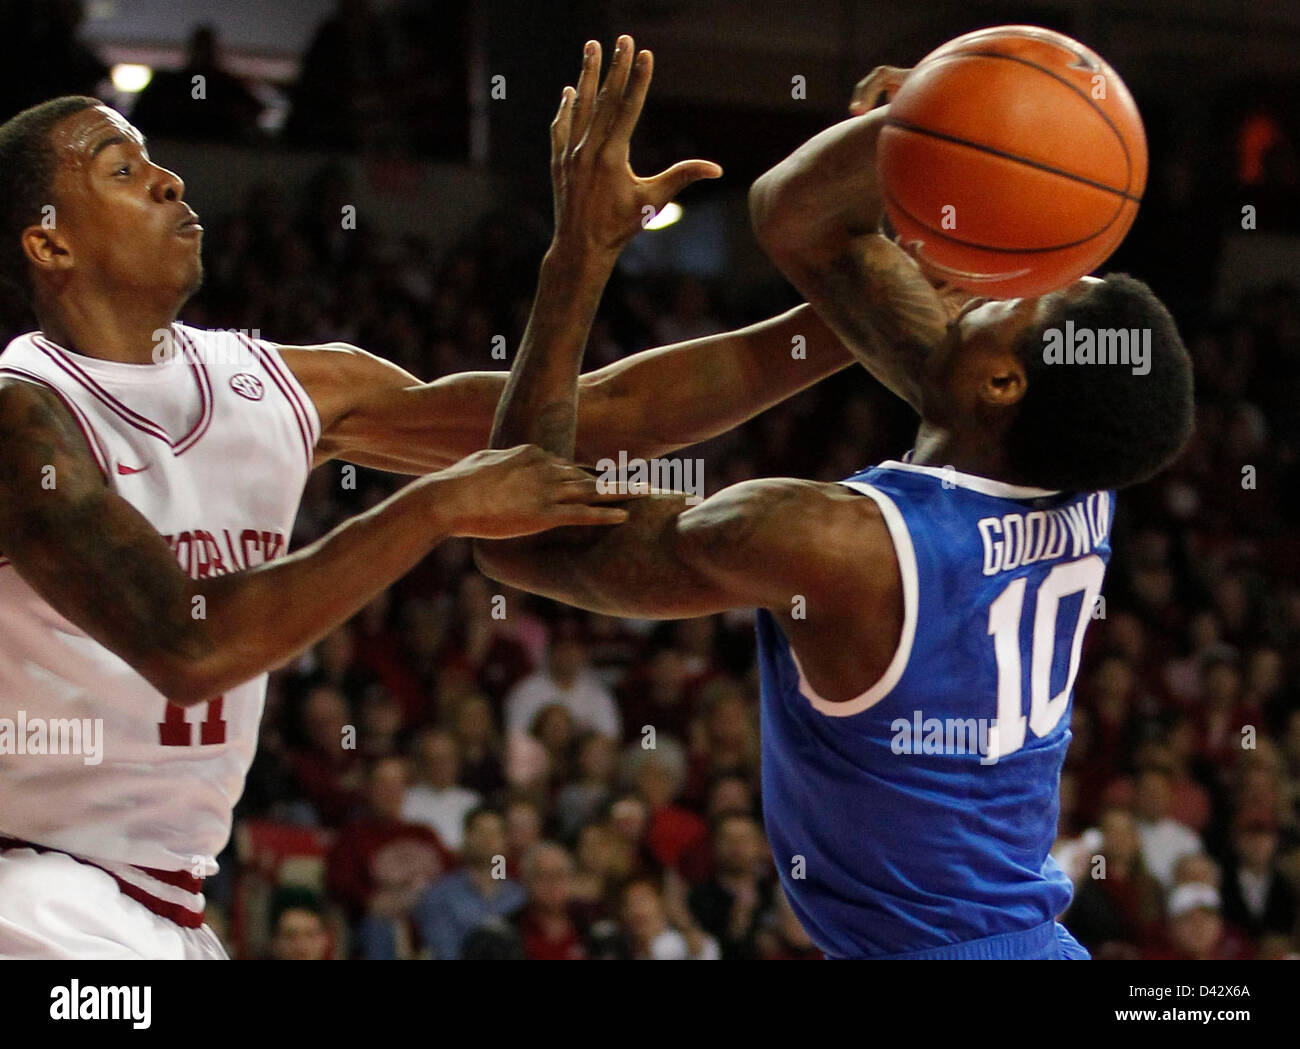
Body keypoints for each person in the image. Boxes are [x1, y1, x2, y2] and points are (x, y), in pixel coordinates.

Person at [0, 37, 852, 958]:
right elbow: (190, 642)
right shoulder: (22, 419)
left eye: (157, 159)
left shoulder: (281, 386)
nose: (166, 179)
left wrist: (585, 255)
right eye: (122, 168)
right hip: (38, 887)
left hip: (164, 906)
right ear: (50, 240)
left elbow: (594, 422)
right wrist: (433, 507)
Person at [474, 64, 1195, 959]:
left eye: (1021, 291)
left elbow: (519, 537)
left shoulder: (828, 545)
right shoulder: (1080, 464)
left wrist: (577, 252)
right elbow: (798, 223)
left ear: (1004, 379)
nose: (998, 274)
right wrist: (931, 112)